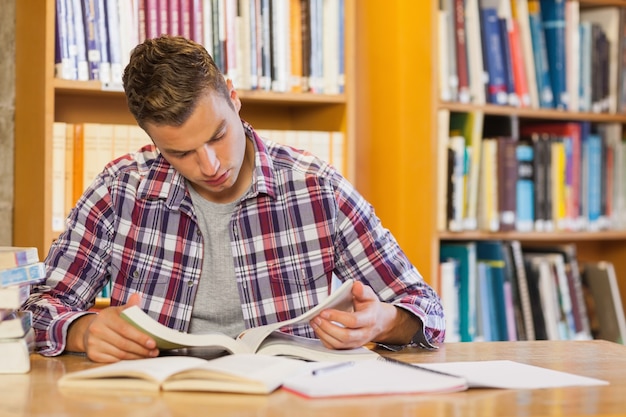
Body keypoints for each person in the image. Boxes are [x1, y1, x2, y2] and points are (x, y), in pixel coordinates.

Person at [23, 35, 445, 363]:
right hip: (157, 403)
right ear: (152, 141)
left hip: (287, 404)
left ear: (233, 96)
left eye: (218, 136)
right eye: (180, 153)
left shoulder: (317, 188)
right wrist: (82, 330)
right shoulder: (119, 190)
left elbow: (426, 309)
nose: (209, 166)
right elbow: (34, 310)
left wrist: (382, 322)